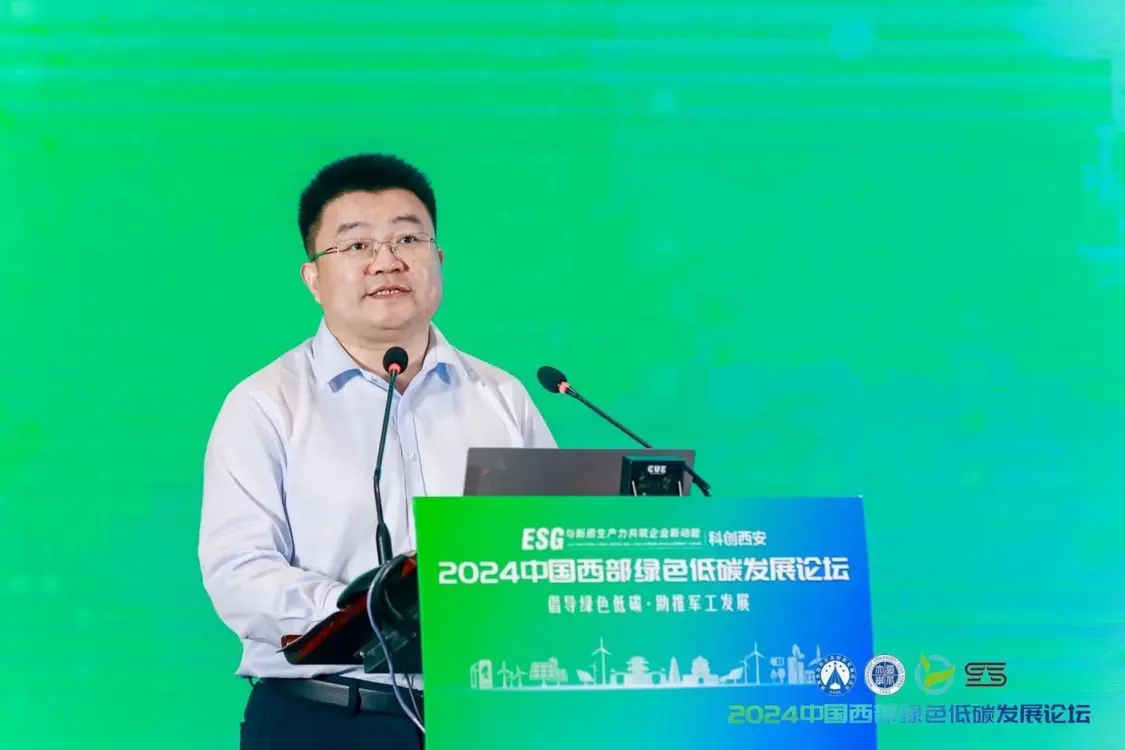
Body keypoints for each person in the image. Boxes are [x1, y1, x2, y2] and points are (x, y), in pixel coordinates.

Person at [199, 153, 557, 750]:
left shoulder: (502, 397)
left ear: (439, 260)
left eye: (408, 239)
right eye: (357, 245)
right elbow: (239, 571)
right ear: (313, 278)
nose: (387, 261)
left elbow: (546, 544)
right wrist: (369, 613)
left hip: (488, 715)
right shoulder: (265, 404)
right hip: (331, 718)